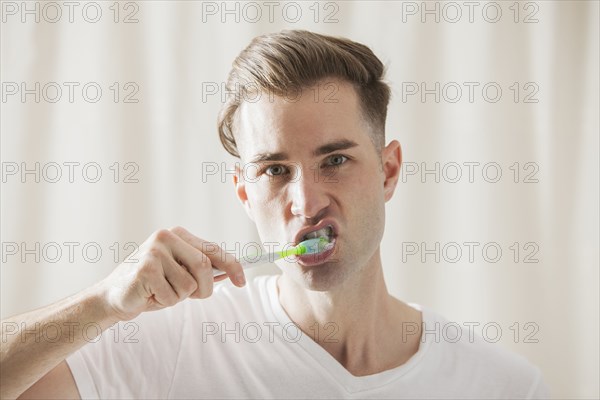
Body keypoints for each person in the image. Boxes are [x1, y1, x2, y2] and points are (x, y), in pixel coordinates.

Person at [2, 30, 549, 399]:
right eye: (274, 170)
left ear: (388, 171)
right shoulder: (174, 344)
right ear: (243, 192)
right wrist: (101, 303)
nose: (307, 204)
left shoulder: (500, 384)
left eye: (335, 160)